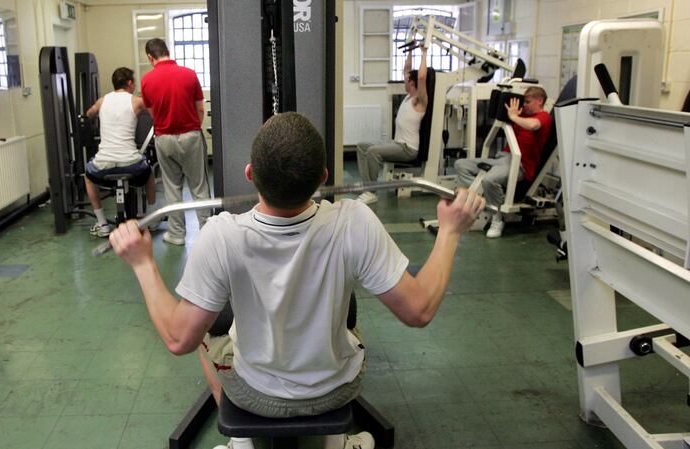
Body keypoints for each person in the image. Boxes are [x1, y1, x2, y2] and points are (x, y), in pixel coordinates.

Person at [110, 112, 485, 449]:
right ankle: (337, 443)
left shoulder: (221, 235)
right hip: (338, 390)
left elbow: (179, 339)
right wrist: (451, 231)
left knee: (207, 337)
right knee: (352, 319)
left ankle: (241, 444)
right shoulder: (354, 221)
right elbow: (418, 310)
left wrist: (143, 263)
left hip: (253, 393)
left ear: (250, 174)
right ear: (323, 178)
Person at [140, 38, 211, 246]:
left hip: (164, 138)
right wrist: (192, 129)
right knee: (199, 186)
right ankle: (207, 234)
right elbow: (200, 109)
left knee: (172, 187)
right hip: (191, 136)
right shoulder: (189, 74)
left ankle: (177, 234)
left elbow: (152, 113)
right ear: (168, 51)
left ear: (150, 57)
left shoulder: (146, 80)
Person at [454, 86, 551, 238]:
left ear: (540, 101)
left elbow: (533, 125)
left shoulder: (543, 116)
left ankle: (497, 218)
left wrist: (514, 118)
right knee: (460, 165)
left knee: (489, 180)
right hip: (502, 158)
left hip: (520, 165)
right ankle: (487, 199)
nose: (524, 105)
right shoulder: (522, 114)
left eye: (528, 102)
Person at [84, 67, 156, 238]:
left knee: (87, 176)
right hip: (131, 165)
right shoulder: (136, 101)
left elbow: (89, 113)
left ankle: (102, 224)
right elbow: (155, 111)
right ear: (130, 83)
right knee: (149, 173)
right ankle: (151, 219)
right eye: (134, 82)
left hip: (103, 165)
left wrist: (97, 114)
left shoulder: (102, 101)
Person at [355, 44, 429, 205]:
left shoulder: (419, 101)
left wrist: (424, 53)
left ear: (413, 84)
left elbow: (422, 77)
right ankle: (366, 185)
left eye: (407, 80)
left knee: (373, 152)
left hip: (408, 149)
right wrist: (410, 50)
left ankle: (371, 192)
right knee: (362, 146)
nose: (405, 80)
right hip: (396, 144)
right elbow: (407, 69)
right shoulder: (408, 96)